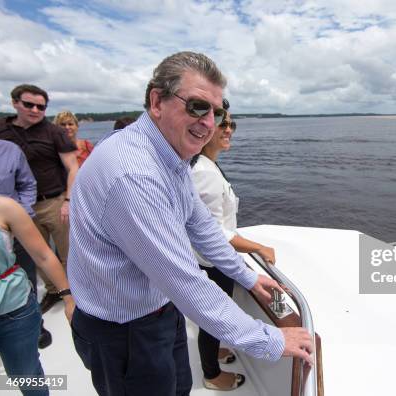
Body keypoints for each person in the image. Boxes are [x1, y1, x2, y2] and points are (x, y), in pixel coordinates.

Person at [68, 51, 313, 396]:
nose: (209, 122)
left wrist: (246, 276)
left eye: (218, 111)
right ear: (157, 101)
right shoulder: (133, 175)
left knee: (178, 388)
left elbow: (202, 226)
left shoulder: (170, 155)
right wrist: (270, 340)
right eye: (198, 106)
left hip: (159, 311)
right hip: (123, 332)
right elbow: (183, 280)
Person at [191, 104, 276, 390]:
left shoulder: (209, 166)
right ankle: (212, 375)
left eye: (231, 125)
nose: (228, 129)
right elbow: (216, 232)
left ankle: (213, 351)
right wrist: (259, 247)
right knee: (213, 318)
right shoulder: (204, 172)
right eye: (222, 124)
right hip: (213, 263)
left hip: (214, 260)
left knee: (214, 317)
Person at [0, 84, 79, 314]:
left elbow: (72, 167)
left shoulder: (54, 133)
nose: (35, 110)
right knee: (36, 253)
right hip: (16, 207)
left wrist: (68, 201)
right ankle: (54, 291)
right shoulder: (1, 131)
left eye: (41, 107)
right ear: (15, 103)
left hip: (53, 201)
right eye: (29, 104)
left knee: (68, 251)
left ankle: (76, 293)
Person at [0, 196, 75, 396]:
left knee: (24, 374)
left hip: (13, 310)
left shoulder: (6, 207)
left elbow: (44, 255)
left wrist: (68, 298)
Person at [0, 140, 53, 349]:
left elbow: (27, 184)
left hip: (14, 227)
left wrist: (21, 214)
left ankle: (35, 326)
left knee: (27, 279)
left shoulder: (10, 150)